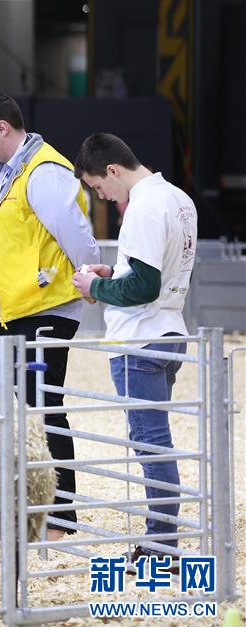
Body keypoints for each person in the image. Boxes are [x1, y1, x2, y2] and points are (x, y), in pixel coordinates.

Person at [0, 91, 100, 541]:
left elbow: (77, 233)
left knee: (40, 410)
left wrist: (90, 279)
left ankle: (59, 516)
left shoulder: (45, 172)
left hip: (41, 307)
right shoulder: (0, 172)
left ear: (3, 128)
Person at [72, 132, 197, 567]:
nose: (103, 197)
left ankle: (161, 544)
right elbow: (153, 273)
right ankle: (162, 539)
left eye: (99, 187)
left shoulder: (143, 207)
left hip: (140, 336)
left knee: (151, 444)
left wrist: (96, 286)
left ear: (112, 170)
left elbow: (142, 287)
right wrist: (115, 271)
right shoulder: (178, 198)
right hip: (169, 328)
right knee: (152, 440)